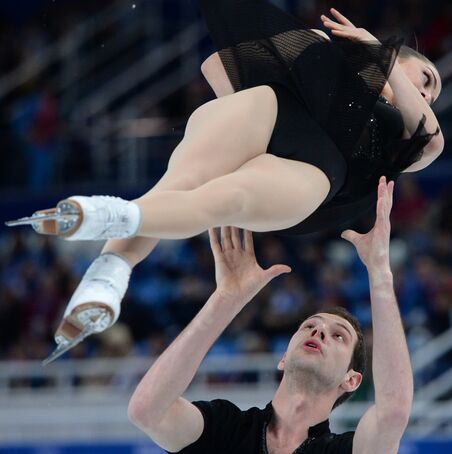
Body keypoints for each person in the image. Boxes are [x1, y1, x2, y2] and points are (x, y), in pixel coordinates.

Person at [6, 0, 443, 362]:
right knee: (181, 183)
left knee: (221, 198)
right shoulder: (325, 50)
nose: (427, 94)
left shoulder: (410, 135)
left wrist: (375, 55)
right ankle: (105, 276)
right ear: (401, 56)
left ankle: (112, 219)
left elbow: (433, 140)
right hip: (269, 115)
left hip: (317, 171)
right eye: (425, 78)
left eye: (434, 94)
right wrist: (312, 64)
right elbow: (219, 66)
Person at [127, 177, 413, 453]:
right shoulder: (225, 428)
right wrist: (226, 299)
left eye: (339, 335)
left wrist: (379, 274)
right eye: (310, 325)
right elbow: (147, 410)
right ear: (283, 358)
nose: (319, 331)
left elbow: (393, 414)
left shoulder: (344, 450)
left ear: (351, 380)